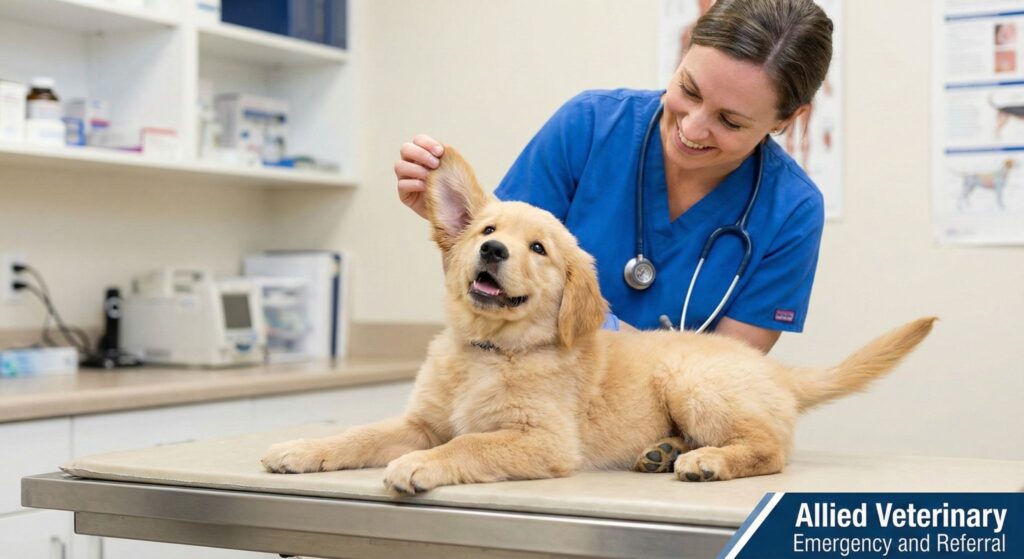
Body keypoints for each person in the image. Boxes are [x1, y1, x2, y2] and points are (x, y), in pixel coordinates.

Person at [394, 0, 832, 353]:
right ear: (683, 54)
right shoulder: (589, 126)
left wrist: (596, 329)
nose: (693, 128)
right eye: (689, 90)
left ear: (788, 119)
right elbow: (493, 289)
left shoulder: (792, 209)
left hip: (669, 428)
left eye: (730, 121)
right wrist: (454, 232)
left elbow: (731, 376)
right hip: (539, 392)